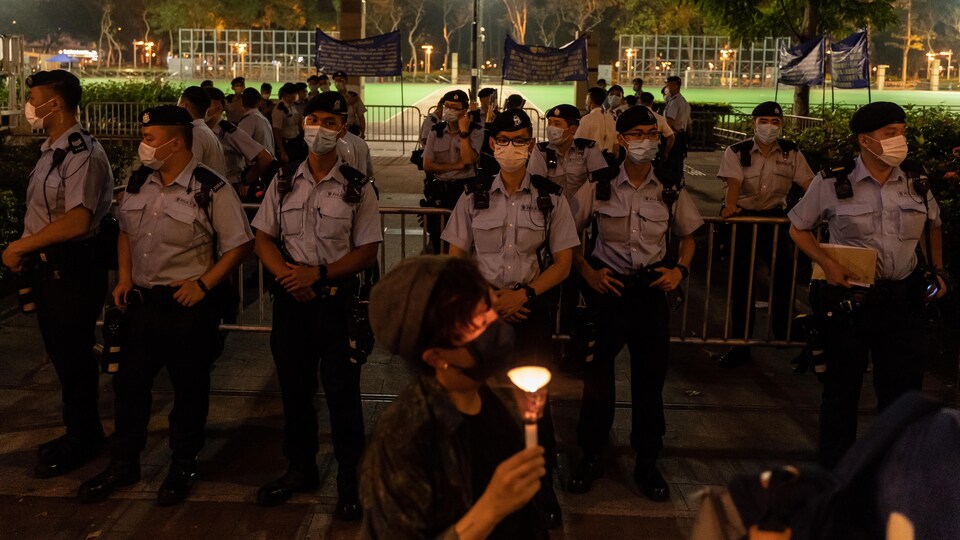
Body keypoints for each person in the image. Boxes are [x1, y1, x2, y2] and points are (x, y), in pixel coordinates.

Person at [77, 105, 254, 505]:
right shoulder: (141, 182)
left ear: (175, 143)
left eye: (150, 139)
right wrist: (124, 277)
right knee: (128, 387)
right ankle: (125, 463)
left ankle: (183, 464)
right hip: (141, 303)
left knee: (189, 390)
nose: (144, 146)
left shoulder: (211, 187)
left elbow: (240, 244)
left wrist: (204, 285)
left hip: (185, 306)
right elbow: (124, 229)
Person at [788, 101, 947, 468]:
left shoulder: (916, 179)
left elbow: (934, 224)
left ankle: (895, 475)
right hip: (851, 303)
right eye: (890, 133)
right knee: (841, 393)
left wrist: (938, 271)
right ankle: (838, 476)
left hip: (903, 303)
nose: (900, 139)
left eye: (902, 131)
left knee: (903, 395)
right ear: (865, 140)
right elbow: (798, 228)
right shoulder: (832, 181)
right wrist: (827, 264)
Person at [441, 109, 580, 529]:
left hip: (529, 312)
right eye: (504, 140)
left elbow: (563, 262)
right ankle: (481, 485)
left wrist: (524, 294)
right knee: (478, 396)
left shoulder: (550, 197)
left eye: (521, 140)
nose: (512, 148)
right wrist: (489, 300)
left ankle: (541, 489)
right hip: (484, 315)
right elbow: (456, 257)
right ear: (492, 145)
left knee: (535, 405)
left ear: (532, 145)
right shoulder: (472, 195)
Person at [251, 92, 382, 520]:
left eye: (330, 121)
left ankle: (350, 481)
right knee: (294, 391)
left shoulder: (358, 187)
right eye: (313, 119)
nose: (320, 128)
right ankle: (300, 469)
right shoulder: (284, 178)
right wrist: (289, 275)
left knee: (343, 395)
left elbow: (367, 251)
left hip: (336, 302)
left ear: (343, 128)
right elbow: (264, 238)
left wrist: (319, 275)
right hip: (292, 302)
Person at [566, 106, 703, 501]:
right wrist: (588, 274)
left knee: (650, 382)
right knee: (597, 383)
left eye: (652, 134)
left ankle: (647, 462)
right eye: (638, 134)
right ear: (622, 140)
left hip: (650, 295)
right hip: (607, 294)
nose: (647, 141)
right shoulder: (599, 185)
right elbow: (567, 234)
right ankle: (591, 456)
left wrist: (680, 270)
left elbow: (689, 235)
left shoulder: (671, 187)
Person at [360, 256, 548, 538]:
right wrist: (491, 508)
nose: (491, 326)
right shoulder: (402, 437)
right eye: (473, 325)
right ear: (436, 357)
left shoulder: (488, 394)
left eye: (487, 308)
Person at [1, 70, 114, 479]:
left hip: (74, 270)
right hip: (51, 271)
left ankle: (84, 439)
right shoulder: (53, 151)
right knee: (64, 358)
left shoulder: (81, 153)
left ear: (55, 103)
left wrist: (19, 246)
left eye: (34, 98)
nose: (29, 105)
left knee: (75, 358)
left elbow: (77, 222)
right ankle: (80, 431)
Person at [716, 101, 814, 368]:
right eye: (764, 121)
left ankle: (785, 334)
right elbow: (734, 183)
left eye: (775, 122)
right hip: (744, 221)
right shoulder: (737, 151)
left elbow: (810, 184)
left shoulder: (791, 153)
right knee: (742, 285)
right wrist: (730, 206)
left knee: (783, 280)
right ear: (753, 123)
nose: (769, 127)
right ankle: (740, 345)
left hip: (776, 221)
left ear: (781, 125)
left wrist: (815, 210)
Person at [421, 89, 484, 252]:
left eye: (454, 107)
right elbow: (427, 165)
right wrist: (455, 166)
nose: (449, 110)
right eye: (447, 106)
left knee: (464, 238)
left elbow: (469, 159)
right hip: (440, 190)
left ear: (464, 111)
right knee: (437, 236)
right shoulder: (436, 131)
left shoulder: (475, 131)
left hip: (464, 190)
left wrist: (464, 133)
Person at [530, 104, 613, 198]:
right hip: (552, 207)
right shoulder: (541, 151)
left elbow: (599, 183)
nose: (551, 128)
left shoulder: (588, 149)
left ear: (573, 129)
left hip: (583, 208)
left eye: (557, 124)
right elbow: (535, 184)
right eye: (549, 123)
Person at [203, 87, 274, 193]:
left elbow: (264, 158)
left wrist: (246, 182)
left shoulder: (230, 131)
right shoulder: (261, 118)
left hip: (228, 186)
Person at [177, 86, 228, 177]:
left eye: (179, 103)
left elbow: (187, 172)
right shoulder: (202, 130)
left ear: (184, 105)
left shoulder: (194, 134)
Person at [662, 76, 691, 180]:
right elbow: (688, 123)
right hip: (682, 136)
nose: (666, 88)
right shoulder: (684, 101)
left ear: (676, 86)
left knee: (670, 162)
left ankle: (671, 186)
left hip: (673, 136)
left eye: (668, 85)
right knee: (678, 163)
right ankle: (678, 184)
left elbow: (669, 122)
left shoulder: (674, 102)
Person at [576, 87, 618, 154]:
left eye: (586, 99)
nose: (585, 101)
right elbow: (616, 146)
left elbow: (578, 142)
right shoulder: (611, 118)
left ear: (590, 101)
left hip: (592, 160)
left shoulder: (587, 119)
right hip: (609, 160)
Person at [272, 82, 306, 164]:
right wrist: (282, 151)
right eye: (295, 94)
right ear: (287, 94)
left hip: (296, 141)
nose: (296, 96)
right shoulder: (279, 109)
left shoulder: (293, 105)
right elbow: (277, 131)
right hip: (287, 144)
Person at [238, 87, 276, 158]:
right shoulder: (262, 118)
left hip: (259, 164)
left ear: (241, 102)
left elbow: (241, 146)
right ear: (259, 102)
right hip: (268, 160)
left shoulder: (248, 120)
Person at [639, 92, 675, 158]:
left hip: (636, 150)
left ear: (639, 101)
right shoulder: (659, 118)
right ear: (652, 102)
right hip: (654, 151)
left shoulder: (632, 116)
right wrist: (665, 152)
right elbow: (671, 137)